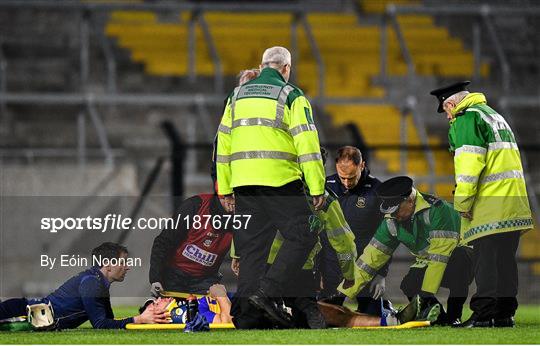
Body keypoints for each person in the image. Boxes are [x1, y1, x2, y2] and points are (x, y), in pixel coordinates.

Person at [215, 46, 326, 327]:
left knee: (252, 250)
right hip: (280, 181)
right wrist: (316, 186)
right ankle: (269, 291)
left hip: (243, 185)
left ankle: (247, 319)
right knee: (305, 232)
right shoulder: (291, 95)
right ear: (286, 68)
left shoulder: (236, 95)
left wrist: (225, 188)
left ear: (262, 65)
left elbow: (223, 145)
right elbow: (308, 145)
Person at [430, 81, 533, 328]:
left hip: (489, 203)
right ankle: (504, 314)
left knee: (485, 259)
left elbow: (468, 166)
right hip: (513, 200)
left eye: (446, 110)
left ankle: (483, 314)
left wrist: (463, 202)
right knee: (505, 260)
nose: (447, 116)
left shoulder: (467, 119)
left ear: (452, 104)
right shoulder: (493, 115)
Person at [230, 147, 358, 329]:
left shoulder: (271, 188)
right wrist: (349, 274)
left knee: (252, 317)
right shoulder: (326, 199)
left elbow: (249, 225)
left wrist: (238, 253)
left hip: (265, 265)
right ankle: (303, 310)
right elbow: (343, 242)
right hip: (301, 267)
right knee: (303, 316)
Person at [339, 176, 474, 325]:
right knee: (409, 284)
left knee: (459, 260)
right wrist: (342, 293)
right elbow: (369, 260)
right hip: (432, 262)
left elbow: (440, 258)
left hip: (464, 258)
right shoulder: (392, 220)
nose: (393, 215)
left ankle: (454, 316)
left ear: (410, 200)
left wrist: (426, 293)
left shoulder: (439, 210)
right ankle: (440, 319)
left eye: (396, 210)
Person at [0, 242, 168, 330]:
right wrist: (139, 319)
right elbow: (100, 325)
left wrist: (143, 317)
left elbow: (109, 321)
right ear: (108, 265)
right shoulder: (92, 283)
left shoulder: (98, 282)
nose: (127, 266)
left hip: (26, 314)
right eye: (123, 262)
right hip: (20, 315)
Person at [320, 146, 388, 316]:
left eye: (351, 178)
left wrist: (381, 274)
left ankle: (385, 308)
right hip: (331, 266)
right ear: (336, 166)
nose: (346, 183)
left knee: (374, 317)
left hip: (364, 267)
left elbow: (387, 236)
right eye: (342, 178)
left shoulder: (377, 190)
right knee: (325, 318)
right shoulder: (324, 187)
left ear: (362, 166)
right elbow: (318, 233)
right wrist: (317, 271)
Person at [149, 192, 233, 295]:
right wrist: (155, 279)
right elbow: (163, 242)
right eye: (229, 195)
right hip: (174, 275)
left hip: (205, 279)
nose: (233, 200)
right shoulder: (195, 205)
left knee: (218, 309)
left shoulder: (243, 218)